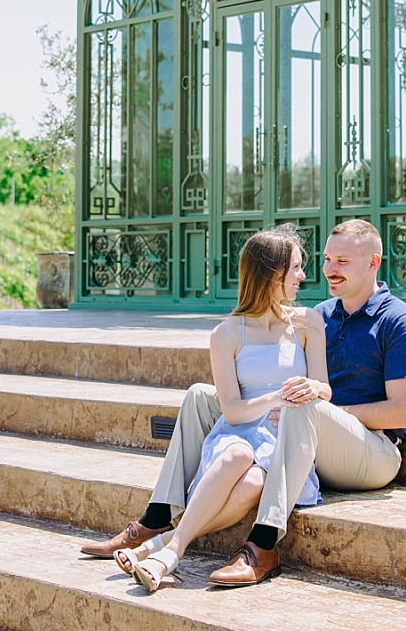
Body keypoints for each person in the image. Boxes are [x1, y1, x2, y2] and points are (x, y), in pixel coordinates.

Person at [81, 218, 406, 587]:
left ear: (373, 262)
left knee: (300, 404)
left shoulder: (399, 321)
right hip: (303, 440)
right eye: (327, 259)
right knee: (201, 395)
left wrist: (317, 411)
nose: (328, 270)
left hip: (371, 452)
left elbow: (400, 412)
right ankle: (157, 517)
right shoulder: (320, 315)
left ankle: (263, 545)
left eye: (341, 262)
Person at [119, 228, 325, 592]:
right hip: (240, 433)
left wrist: (313, 388)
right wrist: (278, 397)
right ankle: (171, 554)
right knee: (237, 457)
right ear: (271, 274)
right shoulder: (226, 334)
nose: (302, 276)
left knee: (255, 482)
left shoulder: (308, 323)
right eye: (295, 268)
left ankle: (160, 547)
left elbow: (325, 388)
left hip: (285, 443)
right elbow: (231, 412)